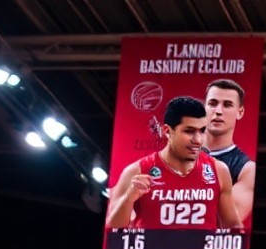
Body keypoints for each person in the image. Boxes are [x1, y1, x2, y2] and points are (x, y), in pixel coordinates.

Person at [106, 96, 242, 231]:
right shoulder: (136, 171)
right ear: (167, 131)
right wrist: (129, 199)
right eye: (189, 131)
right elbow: (113, 228)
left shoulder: (219, 170)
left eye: (202, 131)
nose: (198, 140)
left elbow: (233, 227)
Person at [203, 78, 256, 223]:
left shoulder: (246, 169)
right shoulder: (177, 154)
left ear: (240, 112)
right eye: (212, 104)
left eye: (227, 105)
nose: (218, 111)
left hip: (208, 244)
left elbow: (226, 220)